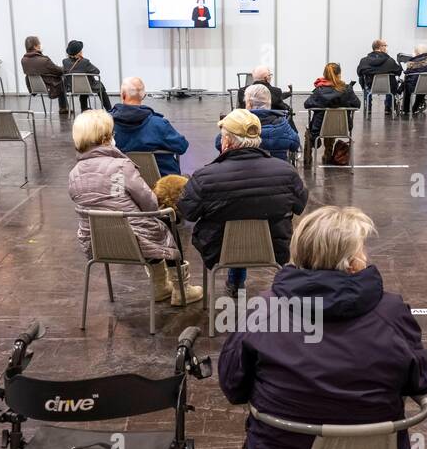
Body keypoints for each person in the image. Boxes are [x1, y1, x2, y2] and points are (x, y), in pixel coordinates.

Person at [218, 206, 427, 449]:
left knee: (285, 446)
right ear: (351, 264)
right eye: (362, 249)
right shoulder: (393, 311)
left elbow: (233, 387)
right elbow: (419, 383)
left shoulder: (263, 310)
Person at [69, 109, 201, 306]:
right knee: (165, 220)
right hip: (133, 239)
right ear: (106, 137)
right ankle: (180, 289)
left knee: (149, 227)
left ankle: (159, 286)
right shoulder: (121, 167)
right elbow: (150, 204)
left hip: (95, 242)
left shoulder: (74, 173)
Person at [178, 108, 307, 297]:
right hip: (274, 247)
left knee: (231, 220)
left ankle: (235, 282)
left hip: (219, 250)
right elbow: (300, 205)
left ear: (227, 141)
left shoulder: (205, 177)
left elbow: (188, 212)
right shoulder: (287, 172)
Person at [110, 76, 189, 177]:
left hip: (120, 180)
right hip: (159, 183)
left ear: (123, 95)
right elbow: (182, 146)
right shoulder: (159, 125)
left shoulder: (106, 125)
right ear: (143, 96)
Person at [213, 83, 299, 162]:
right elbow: (295, 145)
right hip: (278, 172)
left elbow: (218, 143)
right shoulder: (283, 126)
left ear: (249, 104)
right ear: (269, 103)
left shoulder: (236, 124)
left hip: (240, 171)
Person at [303, 62, 360, 166]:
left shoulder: (319, 91)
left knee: (314, 128)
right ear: (339, 74)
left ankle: (308, 159)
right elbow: (357, 104)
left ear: (325, 75)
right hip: (342, 128)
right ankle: (327, 155)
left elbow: (307, 104)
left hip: (318, 129)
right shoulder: (347, 90)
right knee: (332, 125)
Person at [19, 35, 66, 115]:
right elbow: (58, 71)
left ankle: (64, 107)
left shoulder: (23, 60)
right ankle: (63, 107)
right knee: (61, 79)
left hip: (34, 87)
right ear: (35, 46)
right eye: (39, 43)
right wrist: (64, 68)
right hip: (48, 86)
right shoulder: (44, 60)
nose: (40, 45)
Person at [63, 40, 113, 112]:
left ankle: (84, 108)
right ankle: (109, 110)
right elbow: (97, 71)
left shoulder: (65, 61)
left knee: (83, 85)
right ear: (79, 52)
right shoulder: (85, 62)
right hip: (87, 86)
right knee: (99, 86)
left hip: (72, 87)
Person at [356, 38, 402, 116]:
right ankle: (388, 107)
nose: (386, 47)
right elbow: (399, 72)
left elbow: (359, 73)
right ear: (380, 47)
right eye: (385, 46)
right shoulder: (390, 61)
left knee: (362, 78)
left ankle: (368, 107)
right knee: (392, 80)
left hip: (370, 86)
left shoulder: (364, 60)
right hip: (388, 88)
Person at [400, 44, 427, 117]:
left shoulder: (412, 62)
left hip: (414, 87)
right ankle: (415, 107)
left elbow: (407, 73)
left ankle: (406, 109)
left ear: (417, 53)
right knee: (423, 86)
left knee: (407, 86)